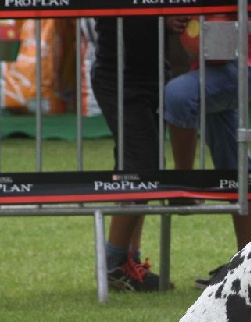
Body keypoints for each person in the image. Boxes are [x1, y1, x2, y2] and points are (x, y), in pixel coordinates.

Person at [164, 15, 251, 289]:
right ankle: (247, 264)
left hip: (242, 65)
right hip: (210, 66)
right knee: (236, 169)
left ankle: (183, 182)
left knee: (178, 96)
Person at [91, 16, 175, 292]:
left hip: (152, 71)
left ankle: (127, 260)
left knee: (138, 166)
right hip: (118, 75)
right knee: (142, 164)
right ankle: (113, 262)